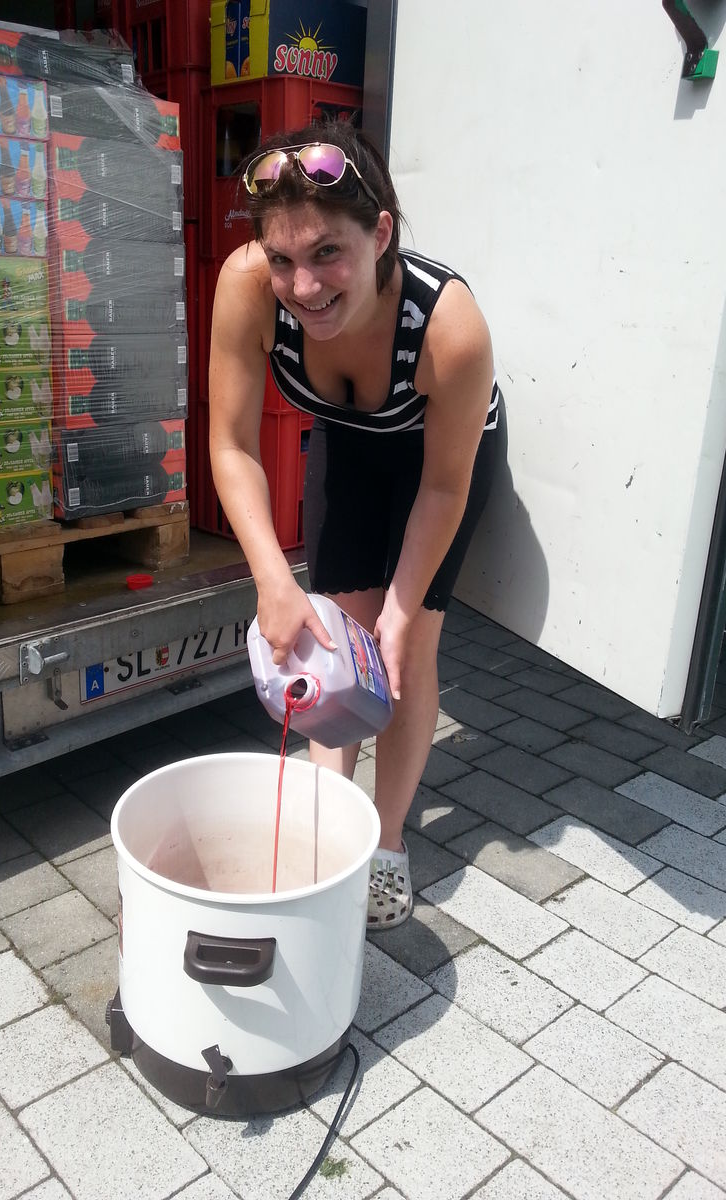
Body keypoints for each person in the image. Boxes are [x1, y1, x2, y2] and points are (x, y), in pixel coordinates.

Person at [208, 121, 504, 929]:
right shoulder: (246, 287)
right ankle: (326, 829)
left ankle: (386, 846)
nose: (303, 286)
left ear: (380, 234)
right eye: (281, 259)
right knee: (336, 638)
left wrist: (401, 613)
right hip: (349, 438)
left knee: (403, 652)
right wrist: (273, 583)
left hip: (438, 462)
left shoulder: (449, 327)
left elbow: (443, 486)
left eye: (327, 253)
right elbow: (231, 445)